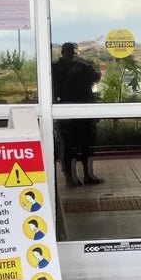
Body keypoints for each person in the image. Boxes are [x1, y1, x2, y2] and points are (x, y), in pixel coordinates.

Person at [51, 42, 103, 185]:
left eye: (72, 52)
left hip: (83, 111)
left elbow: (96, 78)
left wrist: (87, 65)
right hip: (67, 112)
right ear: (63, 52)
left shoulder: (82, 66)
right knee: (69, 145)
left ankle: (87, 175)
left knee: (86, 144)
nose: (71, 54)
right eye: (69, 52)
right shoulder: (56, 68)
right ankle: (72, 177)